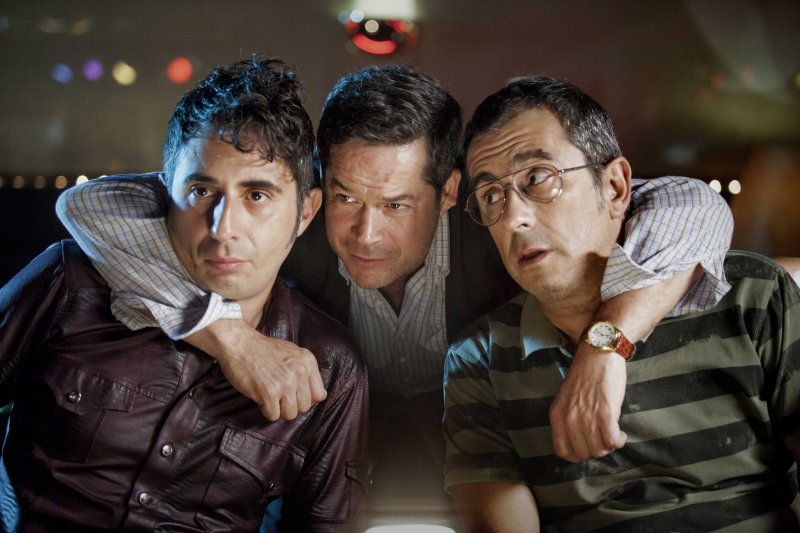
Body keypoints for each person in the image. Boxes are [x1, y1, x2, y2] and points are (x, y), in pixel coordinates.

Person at [57, 66, 732, 520]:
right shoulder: (293, 225)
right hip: (334, 469)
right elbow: (91, 206)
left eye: (397, 204)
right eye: (346, 197)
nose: (365, 232)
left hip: (492, 466)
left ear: (449, 192)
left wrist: (606, 345)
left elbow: (693, 206)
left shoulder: (499, 225)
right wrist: (229, 335)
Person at [0, 56, 368, 532]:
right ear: (164, 195)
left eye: (257, 195)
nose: (224, 228)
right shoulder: (72, 281)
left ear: (305, 212)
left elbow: (327, 526)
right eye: (201, 191)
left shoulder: (331, 364)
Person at [443, 74, 800, 531]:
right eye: (492, 195)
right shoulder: (480, 359)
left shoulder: (753, 295)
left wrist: (605, 345)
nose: (513, 217)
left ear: (614, 187)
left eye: (538, 178)